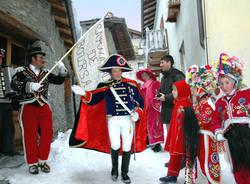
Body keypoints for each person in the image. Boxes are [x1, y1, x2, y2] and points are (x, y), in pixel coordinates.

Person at [70, 54, 146, 184]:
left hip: (128, 120)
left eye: (119, 70)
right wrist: (83, 93)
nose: (117, 73)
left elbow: (141, 101)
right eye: (114, 70)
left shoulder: (131, 84)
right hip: (113, 120)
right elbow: (94, 98)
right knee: (115, 145)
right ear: (110, 72)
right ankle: (114, 170)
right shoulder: (104, 85)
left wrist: (138, 113)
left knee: (127, 146)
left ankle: (124, 173)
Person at [11, 41, 68, 174]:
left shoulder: (46, 73)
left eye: (44, 57)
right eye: (41, 57)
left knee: (47, 134)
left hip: (44, 106)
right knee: (30, 135)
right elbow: (14, 84)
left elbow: (59, 81)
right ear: (33, 58)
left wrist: (62, 70)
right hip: (28, 106)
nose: (44, 60)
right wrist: (29, 86)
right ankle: (32, 163)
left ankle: (43, 160)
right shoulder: (22, 71)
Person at [211, 53, 250, 184]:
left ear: (234, 82)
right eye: (221, 84)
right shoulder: (219, 102)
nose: (224, 86)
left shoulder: (245, 93)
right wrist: (218, 132)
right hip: (231, 136)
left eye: (227, 82)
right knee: (236, 164)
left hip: (247, 133)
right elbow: (216, 120)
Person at [185, 65, 221, 184]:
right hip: (201, 135)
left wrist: (191, 118)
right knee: (201, 160)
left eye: (194, 88)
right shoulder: (202, 102)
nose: (192, 90)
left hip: (206, 137)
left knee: (207, 161)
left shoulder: (208, 102)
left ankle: (212, 181)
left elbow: (204, 120)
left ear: (201, 88)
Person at [159, 80, 194, 184]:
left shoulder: (185, 105)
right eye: (173, 89)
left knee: (188, 156)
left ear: (182, 91)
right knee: (174, 155)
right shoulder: (178, 102)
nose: (172, 92)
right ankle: (171, 175)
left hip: (184, 137)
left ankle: (189, 178)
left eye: (175, 90)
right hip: (177, 135)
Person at [155, 55, 185, 167]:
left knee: (179, 137)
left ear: (169, 63)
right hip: (167, 111)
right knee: (172, 138)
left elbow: (180, 93)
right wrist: (159, 96)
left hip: (177, 111)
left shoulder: (178, 75)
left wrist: (165, 97)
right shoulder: (164, 77)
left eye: (162, 62)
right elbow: (163, 91)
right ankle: (174, 160)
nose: (160, 65)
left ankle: (181, 161)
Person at [136, 68, 164, 152]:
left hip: (154, 108)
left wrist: (157, 105)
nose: (144, 77)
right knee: (148, 125)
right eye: (143, 76)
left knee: (155, 126)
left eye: (145, 75)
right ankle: (150, 141)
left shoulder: (155, 83)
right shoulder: (143, 86)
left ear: (149, 75)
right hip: (146, 108)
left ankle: (157, 144)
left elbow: (159, 94)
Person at [0, 49, 17, 156]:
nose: (0, 60)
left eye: (1, 58)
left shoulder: (7, 70)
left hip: (7, 102)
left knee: (8, 127)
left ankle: (8, 149)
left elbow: (14, 83)